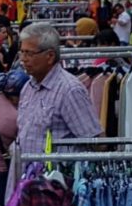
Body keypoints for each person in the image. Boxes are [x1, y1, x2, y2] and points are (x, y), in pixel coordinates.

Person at [16, 22, 102, 157]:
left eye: (29, 54)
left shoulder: (69, 90)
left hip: (58, 176)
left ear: (50, 56)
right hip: (27, 175)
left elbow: (96, 141)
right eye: (22, 52)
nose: (23, 59)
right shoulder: (28, 87)